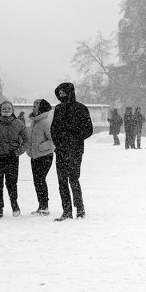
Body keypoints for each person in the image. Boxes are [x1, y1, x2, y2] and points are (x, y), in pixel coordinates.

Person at [50, 82, 93, 221]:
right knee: (62, 181)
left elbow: (88, 129)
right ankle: (67, 211)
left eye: (63, 92)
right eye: (59, 92)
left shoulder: (80, 108)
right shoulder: (58, 109)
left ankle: (80, 209)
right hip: (61, 150)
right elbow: (54, 129)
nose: (61, 94)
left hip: (75, 150)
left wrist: (74, 137)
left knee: (73, 179)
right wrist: (58, 143)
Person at [26, 99, 55, 216]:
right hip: (34, 156)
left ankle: (45, 206)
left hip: (45, 156)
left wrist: (41, 147)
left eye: (35, 106)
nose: (33, 108)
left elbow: (53, 140)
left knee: (41, 180)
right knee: (37, 181)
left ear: (41, 108)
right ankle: (41, 205)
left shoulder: (46, 122)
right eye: (33, 105)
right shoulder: (33, 122)